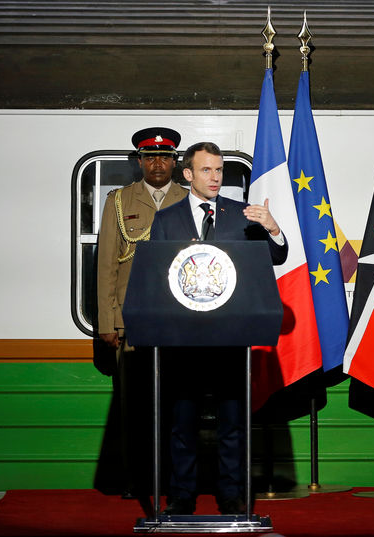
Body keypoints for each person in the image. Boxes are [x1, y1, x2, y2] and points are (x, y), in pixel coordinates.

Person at [149, 141, 288, 515]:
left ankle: (231, 493)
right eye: (207, 170)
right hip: (183, 341)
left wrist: (273, 228)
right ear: (188, 174)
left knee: (232, 423)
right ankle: (182, 495)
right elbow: (157, 279)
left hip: (231, 340)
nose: (215, 177)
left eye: (220, 170)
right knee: (182, 425)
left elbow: (278, 255)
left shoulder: (242, 215)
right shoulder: (166, 220)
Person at [96, 127, 188, 498]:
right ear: (139, 161)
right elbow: (106, 267)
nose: (157, 163)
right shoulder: (118, 201)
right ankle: (137, 481)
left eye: (164, 157)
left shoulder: (190, 198)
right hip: (132, 325)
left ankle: (175, 482)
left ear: (174, 162)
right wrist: (107, 322)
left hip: (181, 326)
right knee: (135, 409)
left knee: (178, 408)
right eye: (149, 157)